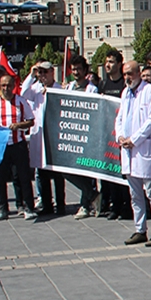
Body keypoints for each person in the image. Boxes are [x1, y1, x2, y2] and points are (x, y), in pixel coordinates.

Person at [116, 61, 151, 246]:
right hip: (128, 150)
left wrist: (134, 139)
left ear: (139, 73)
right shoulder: (125, 93)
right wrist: (120, 136)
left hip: (144, 148)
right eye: (125, 74)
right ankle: (140, 229)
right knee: (135, 194)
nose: (127, 77)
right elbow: (120, 117)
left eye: (130, 73)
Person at [0, 73, 37, 221]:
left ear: (14, 86)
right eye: (3, 86)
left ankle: (28, 207)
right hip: (1, 146)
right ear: (0, 87)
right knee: (0, 178)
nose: (6, 88)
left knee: (23, 177)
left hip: (18, 145)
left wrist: (19, 125)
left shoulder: (21, 102)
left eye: (9, 85)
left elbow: (31, 120)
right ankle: (2, 209)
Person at [22, 62, 66, 215]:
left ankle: (61, 204)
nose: (42, 75)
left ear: (52, 72)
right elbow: (23, 93)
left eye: (45, 72)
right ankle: (47, 204)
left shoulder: (60, 89)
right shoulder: (35, 89)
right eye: (40, 72)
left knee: (58, 174)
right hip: (40, 136)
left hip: (54, 136)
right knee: (42, 173)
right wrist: (31, 75)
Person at [63, 55, 101, 220]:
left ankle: (85, 205)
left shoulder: (92, 89)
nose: (76, 72)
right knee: (67, 170)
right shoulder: (68, 87)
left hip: (87, 135)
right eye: (73, 69)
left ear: (85, 71)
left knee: (86, 171)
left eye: (79, 69)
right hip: (72, 135)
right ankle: (93, 195)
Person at [96, 49, 130, 220]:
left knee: (123, 174)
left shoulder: (124, 85)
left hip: (122, 137)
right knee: (109, 173)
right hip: (107, 137)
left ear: (119, 64)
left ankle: (126, 206)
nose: (107, 65)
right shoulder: (103, 85)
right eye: (106, 62)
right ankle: (113, 206)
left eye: (111, 62)